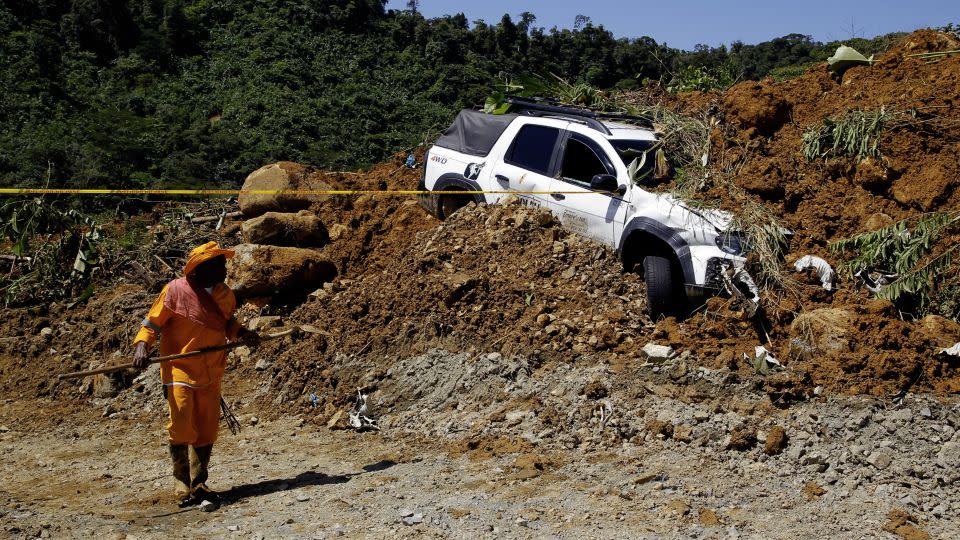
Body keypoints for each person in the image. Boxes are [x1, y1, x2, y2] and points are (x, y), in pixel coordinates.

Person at [132, 241, 257, 508]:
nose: (224, 269)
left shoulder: (225, 294)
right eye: (218, 264)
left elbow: (227, 323)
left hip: (211, 368)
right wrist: (142, 345)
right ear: (200, 269)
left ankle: (199, 482)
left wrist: (243, 333)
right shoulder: (175, 291)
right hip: (180, 367)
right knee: (181, 420)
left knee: (207, 425)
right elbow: (152, 323)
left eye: (223, 263)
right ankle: (181, 481)